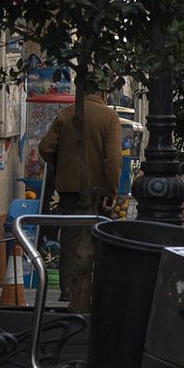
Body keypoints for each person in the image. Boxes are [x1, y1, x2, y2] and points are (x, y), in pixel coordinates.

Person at [39, 82, 122, 309]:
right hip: (98, 191)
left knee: (70, 238)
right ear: (104, 92)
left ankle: (68, 290)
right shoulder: (109, 117)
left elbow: (45, 147)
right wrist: (112, 190)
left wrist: (61, 165)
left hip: (68, 189)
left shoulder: (66, 115)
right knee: (98, 239)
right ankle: (92, 290)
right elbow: (113, 159)